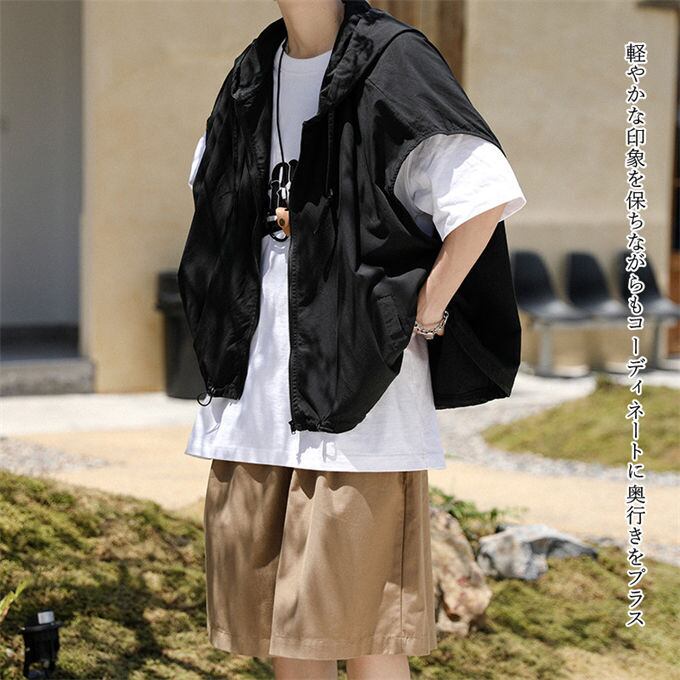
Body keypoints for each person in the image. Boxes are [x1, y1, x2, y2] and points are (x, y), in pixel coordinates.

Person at [181, 1, 526, 678]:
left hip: (357, 400)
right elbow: (213, 189)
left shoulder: (391, 59)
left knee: (370, 636)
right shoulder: (255, 69)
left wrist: (424, 308)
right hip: (257, 401)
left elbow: (481, 190)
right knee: (286, 632)